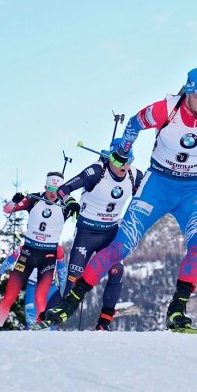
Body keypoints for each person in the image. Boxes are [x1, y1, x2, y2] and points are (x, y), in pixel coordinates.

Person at [39, 66, 197, 330]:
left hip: (191, 190)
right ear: (189, 90)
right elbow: (134, 123)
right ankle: (72, 301)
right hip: (157, 185)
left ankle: (177, 309)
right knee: (120, 247)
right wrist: (123, 150)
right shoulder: (165, 109)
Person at [42, 140, 144, 330]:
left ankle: (103, 324)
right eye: (121, 162)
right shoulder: (96, 171)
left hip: (111, 234)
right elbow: (63, 190)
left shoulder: (134, 175)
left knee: (117, 271)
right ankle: (43, 321)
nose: (125, 166)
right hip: (87, 234)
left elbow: (147, 194)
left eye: (129, 161)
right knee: (72, 281)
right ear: (110, 158)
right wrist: (71, 202)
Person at [0, 172, 77, 330]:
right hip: (28, 254)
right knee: (9, 296)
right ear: (45, 187)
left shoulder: (66, 206)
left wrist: (65, 290)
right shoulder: (34, 199)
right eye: (50, 188)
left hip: (48, 257)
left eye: (57, 189)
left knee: (41, 299)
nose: (53, 193)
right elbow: (8, 209)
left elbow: (62, 269)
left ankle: (42, 337)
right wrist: (14, 200)